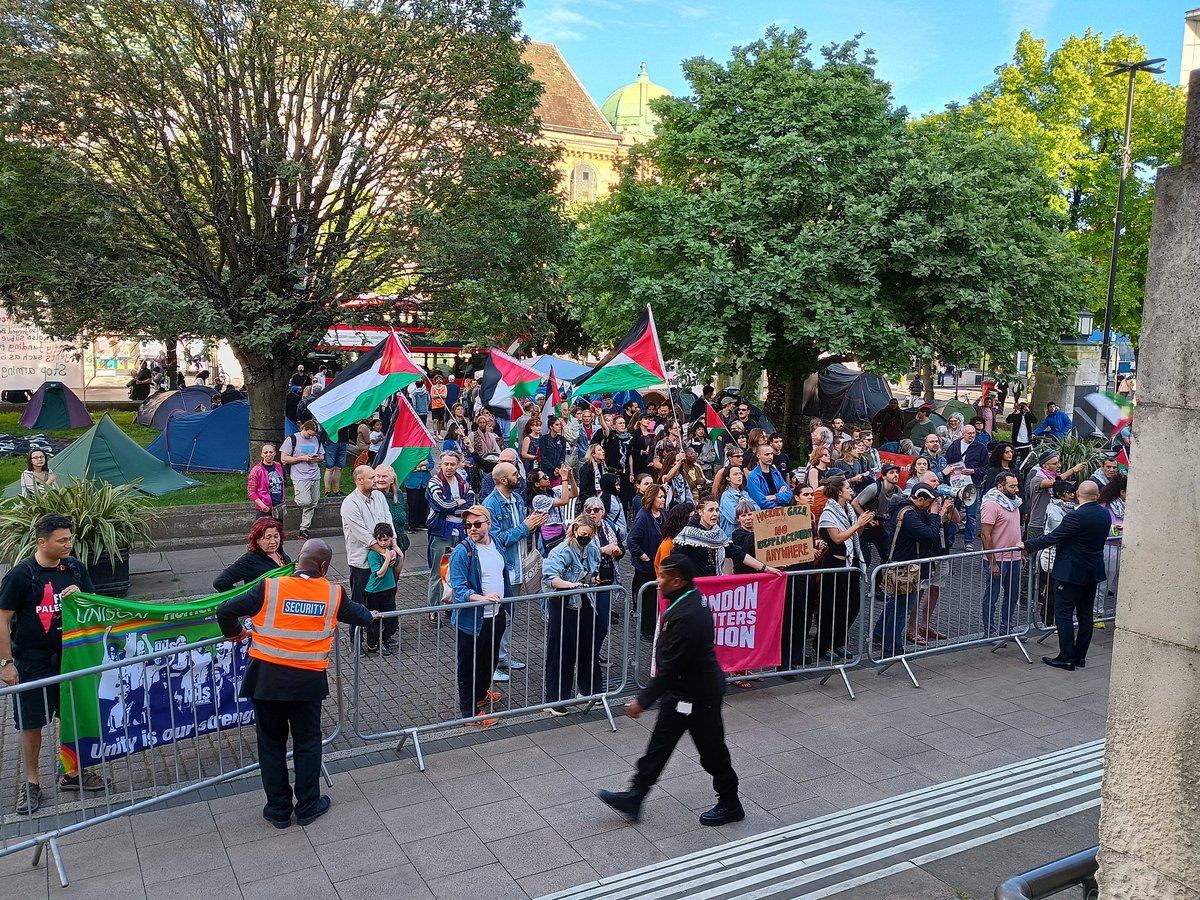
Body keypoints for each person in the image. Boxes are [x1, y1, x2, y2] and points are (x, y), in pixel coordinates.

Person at [216, 539, 375, 828]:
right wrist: (372, 614)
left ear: (298, 560)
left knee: (271, 745)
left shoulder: (271, 587)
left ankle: (278, 811)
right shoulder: (333, 593)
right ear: (324, 566)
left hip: (266, 680)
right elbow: (361, 617)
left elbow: (225, 610)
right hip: (307, 683)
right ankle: (307, 807)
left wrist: (235, 632)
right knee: (307, 743)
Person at [597, 554, 745, 827]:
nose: (658, 581)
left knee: (712, 753)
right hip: (680, 694)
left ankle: (731, 803)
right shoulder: (684, 601)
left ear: (678, 581)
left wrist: (642, 701)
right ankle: (635, 796)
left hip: (700, 697)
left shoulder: (689, 614)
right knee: (658, 747)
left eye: (664, 577)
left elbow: (672, 666)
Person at [0, 514, 111, 814]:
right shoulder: (21, 575)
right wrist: (6, 663)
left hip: (70, 658)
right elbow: (2, 617)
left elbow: (95, 606)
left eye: (69, 538)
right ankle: (31, 783)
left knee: (72, 714)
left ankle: (72, 773)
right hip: (32, 661)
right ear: (41, 542)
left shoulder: (74, 568)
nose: (68, 544)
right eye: (62, 540)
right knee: (31, 722)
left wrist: (82, 596)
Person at [1021, 481, 1111, 671]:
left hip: (1072, 572)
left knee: (1063, 614)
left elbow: (1053, 537)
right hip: (1092, 571)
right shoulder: (1103, 514)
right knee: (1085, 614)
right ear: (1097, 495)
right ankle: (1080, 657)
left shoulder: (1077, 516)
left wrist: (1027, 545)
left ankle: (1067, 656)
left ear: (1078, 493)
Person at [448, 505, 510, 728]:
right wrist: (480, 598)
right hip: (472, 619)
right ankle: (469, 713)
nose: (471, 529)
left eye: (476, 524)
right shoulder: (462, 552)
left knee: (489, 659)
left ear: (488, 524)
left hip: (496, 614)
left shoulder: (497, 544)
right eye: (468, 525)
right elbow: (459, 589)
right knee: (469, 664)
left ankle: (481, 693)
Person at [482, 461, 545, 681]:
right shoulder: (490, 504)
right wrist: (525, 527)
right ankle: (490, 665)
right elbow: (498, 538)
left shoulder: (517, 499)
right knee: (497, 619)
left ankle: (503, 657)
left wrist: (533, 525)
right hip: (503, 570)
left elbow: (523, 531)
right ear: (502, 480)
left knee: (509, 617)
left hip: (518, 567)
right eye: (515, 474)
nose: (519, 477)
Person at [541, 517, 602, 715]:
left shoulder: (591, 549)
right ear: (574, 531)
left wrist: (593, 579)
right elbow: (550, 578)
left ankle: (588, 691)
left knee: (587, 646)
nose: (586, 538)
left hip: (584, 600)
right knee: (561, 650)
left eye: (589, 535)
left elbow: (592, 572)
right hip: (563, 602)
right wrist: (571, 585)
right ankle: (555, 700)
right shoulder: (561, 550)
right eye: (582, 534)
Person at [872, 484, 941, 656]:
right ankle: (892, 646)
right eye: (930, 502)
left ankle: (880, 634)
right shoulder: (909, 515)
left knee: (895, 602)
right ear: (920, 499)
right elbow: (930, 535)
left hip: (904, 564)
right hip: (906, 567)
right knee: (902, 607)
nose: (932, 505)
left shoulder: (907, 509)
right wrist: (934, 514)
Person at [816, 476, 872, 662]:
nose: (851, 490)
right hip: (835, 564)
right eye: (848, 487)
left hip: (850, 563)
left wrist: (861, 524)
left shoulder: (848, 510)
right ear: (839, 491)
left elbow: (856, 534)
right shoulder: (828, 513)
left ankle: (839, 640)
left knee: (852, 606)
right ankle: (824, 644)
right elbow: (838, 538)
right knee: (831, 607)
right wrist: (857, 524)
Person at [671, 496, 781, 578]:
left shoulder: (719, 534)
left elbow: (738, 554)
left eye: (717, 510)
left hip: (713, 584)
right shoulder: (688, 534)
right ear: (700, 512)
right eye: (710, 510)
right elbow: (674, 559)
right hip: (695, 586)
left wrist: (765, 568)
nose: (715, 514)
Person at [340, 465, 392, 615]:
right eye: (371, 478)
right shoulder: (350, 503)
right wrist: (385, 552)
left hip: (382, 559)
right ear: (359, 480)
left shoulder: (380, 496)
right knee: (360, 604)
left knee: (382, 602)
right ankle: (357, 638)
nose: (376, 480)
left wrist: (393, 546)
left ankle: (378, 637)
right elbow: (364, 536)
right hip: (361, 563)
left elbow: (388, 521)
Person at [980, 473, 1024, 639]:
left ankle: (1006, 629)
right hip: (998, 559)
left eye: (1016, 485)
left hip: (1014, 557)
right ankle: (989, 633)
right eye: (1012, 486)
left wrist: (1022, 553)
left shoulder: (1015, 503)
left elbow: (1015, 530)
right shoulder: (991, 504)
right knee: (992, 596)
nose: (1016, 490)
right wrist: (992, 562)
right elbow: (985, 535)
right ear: (1000, 487)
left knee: (1012, 596)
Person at [942, 424, 989, 550]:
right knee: (952, 512)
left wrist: (973, 471)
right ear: (963, 434)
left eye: (973, 433)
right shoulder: (955, 446)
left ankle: (969, 542)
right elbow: (946, 462)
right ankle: (950, 540)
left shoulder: (981, 448)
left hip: (972, 485)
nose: (972, 435)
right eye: (969, 433)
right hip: (956, 485)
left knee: (971, 515)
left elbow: (985, 468)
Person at [628, 484, 666, 638]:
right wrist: (644, 556)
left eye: (663, 497)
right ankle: (646, 631)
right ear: (652, 498)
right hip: (647, 566)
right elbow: (632, 540)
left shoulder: (663, 514)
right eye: (660, 497)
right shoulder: (643, 516)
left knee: (656, 599)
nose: (663, 500)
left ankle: (654, 627)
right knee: (648, 600)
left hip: (659, 563)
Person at [214, 518, 292, 592]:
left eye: (276, 536)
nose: (273, 541)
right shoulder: (250, 560)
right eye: (268, 538)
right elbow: (220, 582)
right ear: (257, 540)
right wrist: (244, 598)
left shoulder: (279, 552)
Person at [1024, 450, 1086, 539]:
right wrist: (1073, 470)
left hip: (1053, 523)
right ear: (1045, 466)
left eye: (1058, 463)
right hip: (1038, 525)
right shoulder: (1037, 479)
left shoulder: (1054, 477)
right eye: (1055, 464)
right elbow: (1053, 482)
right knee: (1036, 552)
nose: (1059, 466)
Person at [362, 523, 403, 655]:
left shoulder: (391, 552)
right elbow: (380, 573)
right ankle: (372, 643)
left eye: (386, 539)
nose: (383, 543)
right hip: (374, 591)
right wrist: (386, 558)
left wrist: (400, 557)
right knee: (374, 620)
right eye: (381, 540)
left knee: (392, 618)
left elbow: (397, 569)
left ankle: (384, 639)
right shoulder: (374, 554)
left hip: (387, 589)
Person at [280, 420, 324, 540]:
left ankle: (304, 528)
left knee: (314, 502)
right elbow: (284, 459)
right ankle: (298, 496)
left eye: (313, 435)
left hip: (314, 474)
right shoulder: (292, 439)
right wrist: (301, 458)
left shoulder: (317, 440)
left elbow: (322, 456)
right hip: (300, 475)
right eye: (309, 434)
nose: (311, 437)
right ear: (303, 428)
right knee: (305, 501)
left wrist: (317, 459)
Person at [852, 463, 902, 568]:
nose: (895, 475)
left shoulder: (898, 491)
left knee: (887, 556)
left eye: (897, 472)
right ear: (883, 476)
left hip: (880, 526)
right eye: (891, 472)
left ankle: (878, 583)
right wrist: (867, 518)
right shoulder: (874, 488)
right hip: (864, 527)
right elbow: (855, 503)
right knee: (866, 558)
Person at [1095, 473, 1126, 606]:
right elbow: (1101, 525)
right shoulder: (1105, 506)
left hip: (1123, 548)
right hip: (1109, 547)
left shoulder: (1132, 507)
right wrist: (1116, 528)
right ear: (1122, 492)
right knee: (1104, 583)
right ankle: (1097, 612)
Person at [373, 465, 410, 553]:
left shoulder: (398, 494)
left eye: (384, 476)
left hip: (400, 542)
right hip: (382, 543)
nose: (380, 479)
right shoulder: (373, 496)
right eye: (377, 476)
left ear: (392, 479)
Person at [745, 443, 793, 510]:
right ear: (758, 455)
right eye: (767, 454)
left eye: (771, 454)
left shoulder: (776, 472)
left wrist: (775, 497)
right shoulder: (753, 477)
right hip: (764, 514)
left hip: (781, 512)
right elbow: (760, 501)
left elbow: (789, 493)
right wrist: (775, 506)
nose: (770, 457)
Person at [248, 443, 287, 520]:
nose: (268, 454)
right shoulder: (256, 470)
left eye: (271, 452)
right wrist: (262, 506)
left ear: (275, 453)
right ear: (262, 454)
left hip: (278, 506)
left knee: (278, 530)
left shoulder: (278, 466)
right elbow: (251, 492)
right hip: (264, 508)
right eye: (265, 452)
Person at [718, 466, 757, 538]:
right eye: (735, 474)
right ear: (728, 478)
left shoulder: (744, 493)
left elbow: (758, 510)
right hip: (732, 537)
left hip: (747, 534)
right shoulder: (726, 496)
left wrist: (746, 504)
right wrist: (743, 506)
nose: (739, 476)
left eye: (740, 474)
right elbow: (734, 518)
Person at [403, 451, 432, 533]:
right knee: (413, 504)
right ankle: (412, 525)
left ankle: (422, 523)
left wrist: (423, 467)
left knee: (423, 503)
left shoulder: (427, 452)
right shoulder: (408, 452)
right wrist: (420, 465)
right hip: (412, 482)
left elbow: (431, 464)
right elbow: (407, 465)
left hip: (424, 482)